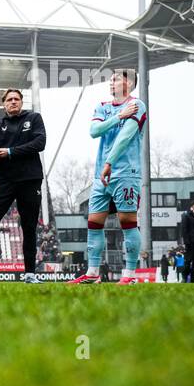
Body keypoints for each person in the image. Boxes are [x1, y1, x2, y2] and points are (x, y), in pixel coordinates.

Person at [71, 69, 148, 285]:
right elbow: (94, 131)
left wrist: (109, 163)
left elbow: (125, 137)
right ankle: (93, 273)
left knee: (127, 222)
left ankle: (130, 276)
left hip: (125, 173)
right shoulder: (103, 107)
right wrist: (118, 117)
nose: (111, 82)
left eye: (116, 79)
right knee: (94, 222)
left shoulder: (137, 105)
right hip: (101, 175)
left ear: (130, 83)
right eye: (111, 79)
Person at [0, 88, 47, 284]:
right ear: (4, 104)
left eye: (17, 99)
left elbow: (40, 143)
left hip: (30, 179)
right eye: (9, 99)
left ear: (21, 102)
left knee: (29, 226)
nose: (13, 102)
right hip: (5, 181)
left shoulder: (33, 118)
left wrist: (10, 151)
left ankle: (30, 274)